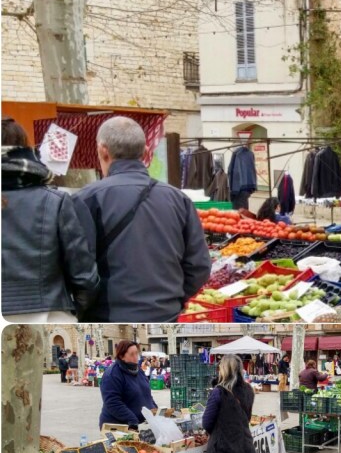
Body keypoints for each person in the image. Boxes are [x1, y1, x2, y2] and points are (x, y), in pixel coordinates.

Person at [73, 116, 211, 322]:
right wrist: (172, 299)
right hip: (166, 314)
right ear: (146, 152)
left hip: (108, 316)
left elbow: (78, 270)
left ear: (103, 150)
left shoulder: (85, 199)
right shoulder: (178, 199)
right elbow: (199, 266)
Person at [2, 117, 99, 321]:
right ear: (25, 149)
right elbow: (84, 276)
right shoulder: (55, 202)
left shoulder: (56, 201)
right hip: (47, 313)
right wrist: (74, 311)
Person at [201, 354, 256, 453]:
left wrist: (217, 432)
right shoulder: (249, 390)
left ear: (224, 370)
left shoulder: (218, 392)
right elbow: (247, 418)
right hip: (242, 445)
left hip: (222, 449)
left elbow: (206, 422)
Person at [99, 341, 157, 430]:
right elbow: (112, 402)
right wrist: (132, 420)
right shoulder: (112, 374)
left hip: (140, 424)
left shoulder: (139, 371)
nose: (135, 357)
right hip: (119, 426)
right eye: (132, 354)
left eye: (136, 353)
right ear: (122, 356)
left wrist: (155, 409)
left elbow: (147, 395)